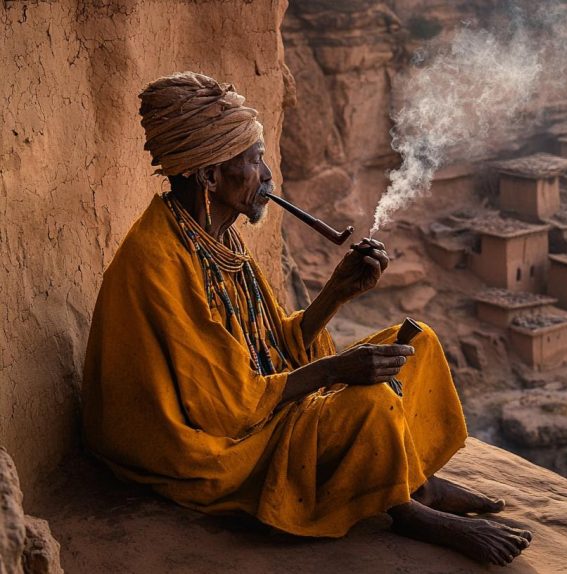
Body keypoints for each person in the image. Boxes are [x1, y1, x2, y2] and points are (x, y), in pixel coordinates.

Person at [82, 71, 531, 566]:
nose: (268, 176)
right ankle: (404, 509)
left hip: (246, 408)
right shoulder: (159, 260)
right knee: (370, 401)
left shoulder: (217, 238)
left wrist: (335, 293)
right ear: (210, 177)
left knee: (416, 343)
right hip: (202, 446)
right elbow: (227, 407)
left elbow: (272, 347)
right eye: (252, 162)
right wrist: (338, 370)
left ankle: (417, 480)